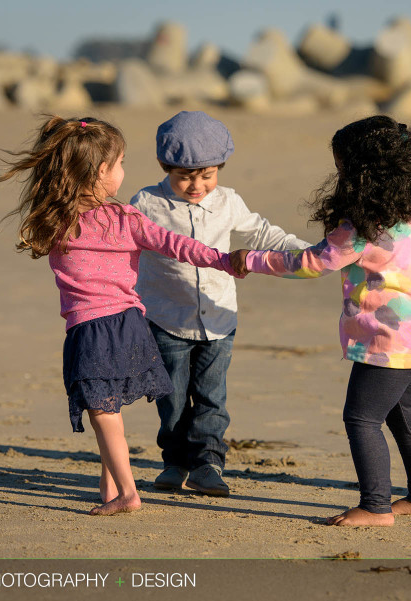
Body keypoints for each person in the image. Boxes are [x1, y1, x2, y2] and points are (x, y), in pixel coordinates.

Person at [230, 116, 411, 526]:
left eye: (344, 169)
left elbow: (311, 263)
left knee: (361, 418)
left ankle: (375, 505)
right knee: (408, 418)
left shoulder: (362, 229)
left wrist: (253, 259)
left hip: (386, 347)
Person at [0, 116, 241, 516]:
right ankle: (110, 487)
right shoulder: (126, 218)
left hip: (92, 328)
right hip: (130, 325)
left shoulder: (57, 220)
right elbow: (179, 245)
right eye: (121, 162)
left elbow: (35, 236)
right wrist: (223, 260)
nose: (124, 170)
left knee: (103, 413)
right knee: (108, 409)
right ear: (101, 172)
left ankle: (127, 492)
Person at [130, 111, 310, 497]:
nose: (197, 185)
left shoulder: (229, 201)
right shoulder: (146, 203)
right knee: (172, 399)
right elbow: (120, 248)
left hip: (220, 319)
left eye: (207, 175)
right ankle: (175, 462)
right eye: (185, 176)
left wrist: (310, 253)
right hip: (165, 320)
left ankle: (208, 464)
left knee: (213, 398)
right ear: (165, 166)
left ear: (220, 168)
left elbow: (263, 232)